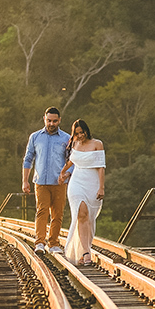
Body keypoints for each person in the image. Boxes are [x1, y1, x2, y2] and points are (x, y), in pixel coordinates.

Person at [22, 106, 71, 254]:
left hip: (59, 182)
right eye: (49, 120)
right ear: (44, 119)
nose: (51, 124)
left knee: (57, 213)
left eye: (54, 121)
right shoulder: (35, 137)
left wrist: (67, 174)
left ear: (59, 121)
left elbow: (71, 160)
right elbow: (28, 159)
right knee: (42, 211)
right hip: (41, 182)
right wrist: (25, 180)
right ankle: (40, 243)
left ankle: (54, 243)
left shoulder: (66, 138)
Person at [59, 119, 105, 265]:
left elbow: (101, 167)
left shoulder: (97, 144)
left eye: (82, 132)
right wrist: (63, 172)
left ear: (87, 131)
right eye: (77, 133)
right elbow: (72, 161)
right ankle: (86, 253)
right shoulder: (74, 144)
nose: (80, 136)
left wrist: (101, 187)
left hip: (92, 182)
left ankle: (84, 249)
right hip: (76, 183)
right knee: (81, 213)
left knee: (89, 219)